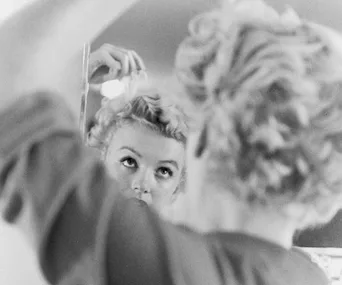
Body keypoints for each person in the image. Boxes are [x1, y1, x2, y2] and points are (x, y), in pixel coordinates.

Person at [1, 1, 341, 285]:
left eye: (164, 170)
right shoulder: (310, 277)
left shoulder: (168, 270)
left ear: (204, 139)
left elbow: (7, 73)